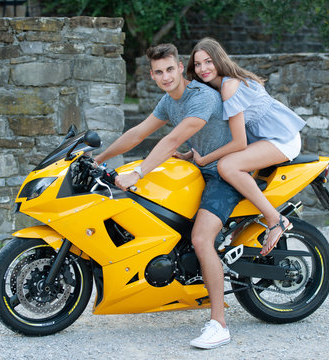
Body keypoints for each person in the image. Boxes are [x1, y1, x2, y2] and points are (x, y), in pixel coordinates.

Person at [94, 43, 239, 349]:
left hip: (224, 173)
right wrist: (97, 159)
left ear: (179, 68)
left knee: (201, 239)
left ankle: (219, 325)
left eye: (170, 69)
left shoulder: (201, 97)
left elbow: (174, 138)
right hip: (198, 170)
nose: (165, 77)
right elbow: (137, 134)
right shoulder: (167, 102)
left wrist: (138, 173)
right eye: (159, 72)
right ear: (152, 75)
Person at [186, 37, 306, 256]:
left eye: (208, 61)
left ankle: (275, 219)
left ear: (219, 60)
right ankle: (244, 221)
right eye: (198, 64)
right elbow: (219, 132)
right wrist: (189, 154)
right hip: (263, 138)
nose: (203, 68)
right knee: (230, 167)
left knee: (228, 166)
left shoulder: (229, 86)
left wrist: (205, 159)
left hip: (281, 138)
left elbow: (239, 142)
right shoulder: (214, 89)